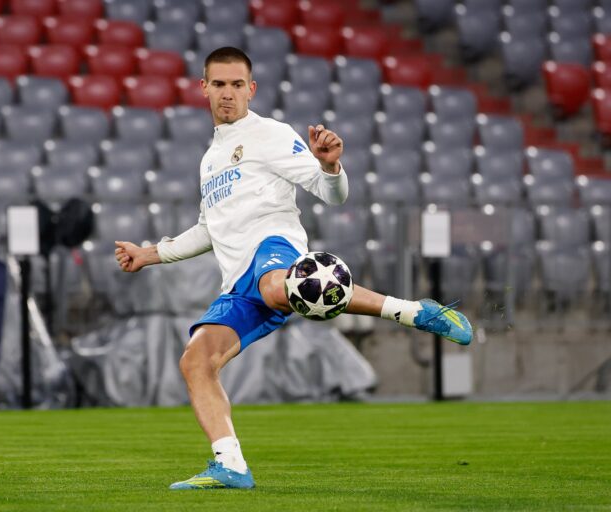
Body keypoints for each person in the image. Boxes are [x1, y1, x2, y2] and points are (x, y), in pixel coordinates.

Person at [114, 47, 473, 490]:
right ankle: (231, 466)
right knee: (195, 362)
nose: (228, 93)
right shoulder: (210, 160)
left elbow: (331, 194)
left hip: (275, 250)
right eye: (219, 84)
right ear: (204, 88)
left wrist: (331, 167)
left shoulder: (270, 134)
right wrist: (149, 254)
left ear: (252, 89)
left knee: (274, 286)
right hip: (237, 283)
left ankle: (416, 312)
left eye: (237, 84)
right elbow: (209, 230)